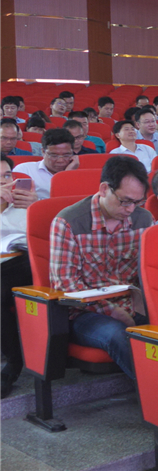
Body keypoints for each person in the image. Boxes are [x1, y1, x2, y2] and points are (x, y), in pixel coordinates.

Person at [50, 156, 154, 379]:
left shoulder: (143, 220)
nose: (131, 210)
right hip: (85, 313)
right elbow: (67, 288)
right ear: (104, 188)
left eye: (138, 202)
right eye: (125, 201)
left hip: (133, 304)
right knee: (118, 334)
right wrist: (112, 311)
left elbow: (152, 273)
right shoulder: (69, 222)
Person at [1, 153, 38, 397]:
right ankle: (13, 358)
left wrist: (37, 208)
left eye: (6, 176)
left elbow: (47, 238)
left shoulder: (28, 204)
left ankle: (13, 363)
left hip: (28, 262)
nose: (5, 183)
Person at [13, 128, 79, 200]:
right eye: (54, 155)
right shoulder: (25, 170)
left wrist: (67, 174)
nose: (60, 160)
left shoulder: (81, 173)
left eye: (66, 155)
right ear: (43, 152)